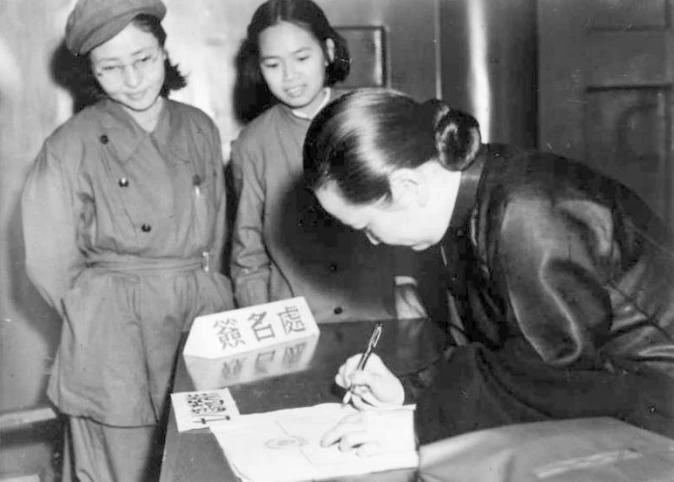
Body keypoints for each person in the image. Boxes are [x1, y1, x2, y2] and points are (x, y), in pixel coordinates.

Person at [301, 89, 674, 452]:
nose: (373, 241)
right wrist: (408, 390)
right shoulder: (473, 197)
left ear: (407, 187)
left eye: (366, 226)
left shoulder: (527, 212)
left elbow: (553, 374)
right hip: (613, 392)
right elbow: (504, 357)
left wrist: (418, 425)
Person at [21, 0, 234, 480]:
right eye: (111, 68)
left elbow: (218, 231)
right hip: (113, 336)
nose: (133, 80)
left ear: (163, 50)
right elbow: (48, 262)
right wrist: (98, 314)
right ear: (91, 72)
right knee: (120, 467)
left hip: (196, 316)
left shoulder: (199, 128)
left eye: (144, 59)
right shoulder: (68, 145)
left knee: (203, 462)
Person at [230, 0, 429, 323]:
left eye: (302, 58)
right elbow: (247, 253)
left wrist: (406, 284)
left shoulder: (367, 117)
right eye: (273, 64)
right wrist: (261, 323)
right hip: (295, 322)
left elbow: (406, 212)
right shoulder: (252, 144)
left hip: (375, 313)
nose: (289, 76)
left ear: (328, 51)